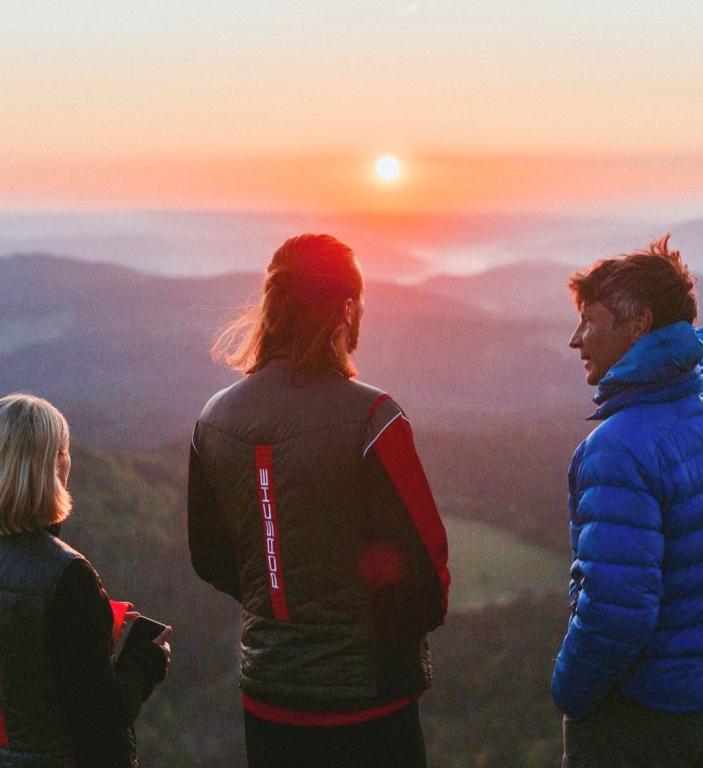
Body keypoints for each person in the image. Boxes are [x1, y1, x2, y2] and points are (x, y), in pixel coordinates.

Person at [188, 233, 450, 768]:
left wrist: (284, 603)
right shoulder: (374, 419)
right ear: (347, 309)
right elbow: (426, 570)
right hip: (369, 702)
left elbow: (210, 557)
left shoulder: (213, 419)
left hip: (267, 695)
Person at [551, 236, 703, 767]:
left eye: (589, 321)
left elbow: (617, 612)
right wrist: (700, 330)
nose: (576, 339)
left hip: (646, 714)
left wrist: (568, 692)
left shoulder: (618, 448)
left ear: (639, 325)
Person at [0, 393, 171, 768]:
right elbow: (103, 715)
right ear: (55, 468)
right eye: (65, 451)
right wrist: (148, 659)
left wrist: (95, 632)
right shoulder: (67, 576)